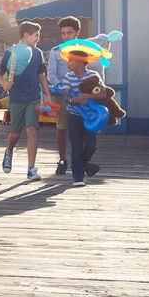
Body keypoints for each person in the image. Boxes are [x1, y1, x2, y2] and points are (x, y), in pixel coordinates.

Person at [51, 42, 107, 187]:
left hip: (91, 116)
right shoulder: (68, 77)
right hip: (74, 115)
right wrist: (74, 99)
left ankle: (82, 165)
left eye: (71, 60)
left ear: (80, 62)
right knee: (76, 146)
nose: (68, 63)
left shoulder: (93, 76)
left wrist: (88, 96)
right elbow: (65, 97)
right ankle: (77, 177)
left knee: (91, 145)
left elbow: (103, 93)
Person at [0, 21, 49, 179]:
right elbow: (0, 73)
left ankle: (31, 169)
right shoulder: (10, 53)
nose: (38, 39)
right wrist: (3, 83)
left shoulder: (38, 53)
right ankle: (9, 152)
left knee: (32, 131)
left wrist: (47, 94)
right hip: (16, 99)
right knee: (15, 134)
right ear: (26, 35)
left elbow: (41, 76)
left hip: (33, 97)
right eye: (36, 36)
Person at [46, 17, 85, 179]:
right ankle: (62, 160)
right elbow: (50, 74)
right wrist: (62, 86)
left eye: (70, 32)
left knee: (81, 129)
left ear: (77, 33)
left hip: (81, 95)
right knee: (62, 128)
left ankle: (82, 160)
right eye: (63, 33)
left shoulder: (85, 51)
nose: (66, 36)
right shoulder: (55, 51)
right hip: (62, 95)